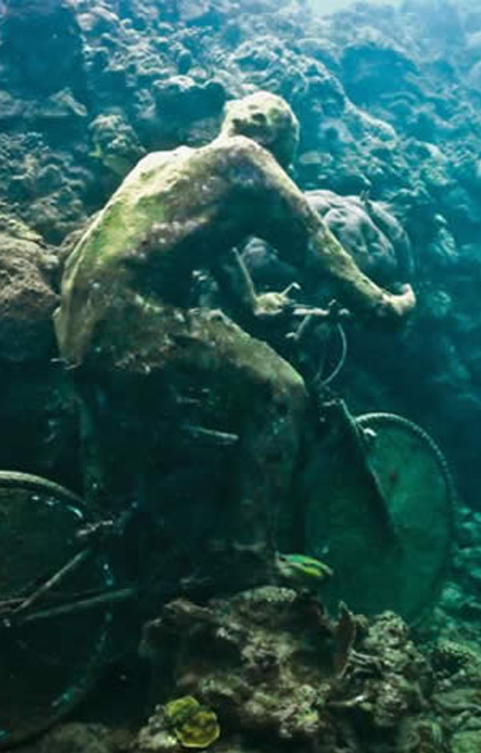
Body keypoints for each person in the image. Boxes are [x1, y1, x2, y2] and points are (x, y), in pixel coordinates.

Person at [54, 91, 415, 592]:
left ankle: (116, 543)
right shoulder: (251, 162)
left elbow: (212, 244)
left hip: (75, 319)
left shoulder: (165, 162)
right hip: (132, 320)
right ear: (272, 137)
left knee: (144, 443)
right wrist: (387, 307)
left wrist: (251, 304)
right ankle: (246, 557)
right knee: (282, 391)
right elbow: (317, 249)